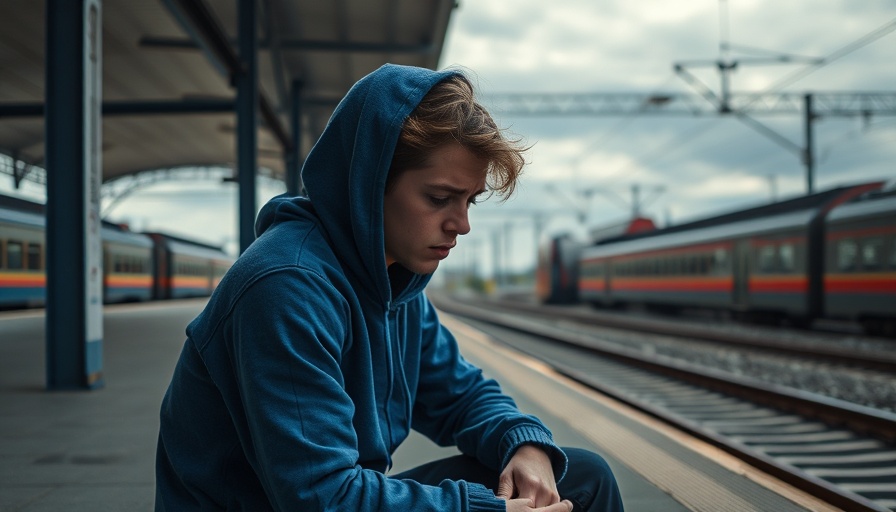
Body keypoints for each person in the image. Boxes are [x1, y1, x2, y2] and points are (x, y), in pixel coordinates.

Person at [155, 63, 624, 512]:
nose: (461, 224)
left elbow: (460, 394)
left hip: (332, 498)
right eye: (440, 198)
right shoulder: (285, 288)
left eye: (469, 201)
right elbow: (322, 498)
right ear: (368, 184)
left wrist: (523, 442)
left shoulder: (394, 282)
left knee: (578, 476)